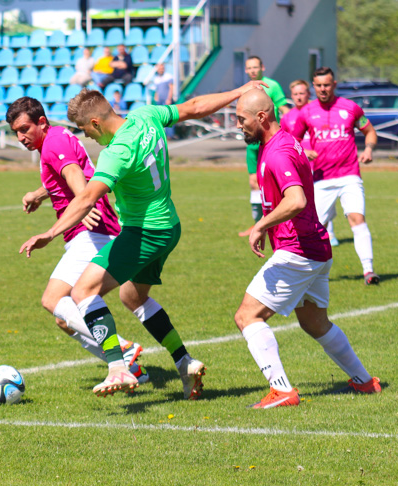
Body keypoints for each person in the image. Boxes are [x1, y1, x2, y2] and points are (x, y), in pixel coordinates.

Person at [19, 82, 267, 397]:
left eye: (86, 131)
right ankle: (185, 363)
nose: (88, 138)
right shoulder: (146, 116)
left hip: (143, 231)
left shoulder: (116, 152)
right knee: (132, 297)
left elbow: (85, 200)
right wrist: (237, 91)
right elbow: (193, 107)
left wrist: (49, 233)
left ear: (96, 122)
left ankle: (117, 368)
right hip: (170, 227)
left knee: (84, 291)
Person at [233, 89, 381, 408]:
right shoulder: (278, 143)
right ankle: (364, 381)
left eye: (241, 119)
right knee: (314, 323)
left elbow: (296, 200)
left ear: (261, 117)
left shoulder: (278, 151)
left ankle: (282, 390)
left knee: (247, 316)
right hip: (314, 247)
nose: (237, 125)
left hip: (297, 250)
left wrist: (260, 224)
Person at [7, 97, 148, 383]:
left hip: (91, 231)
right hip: (90, 231)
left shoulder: (54, 142)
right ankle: (131, 370)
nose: (21, 137)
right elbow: (72, 173)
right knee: (64, 318)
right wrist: (40, 193)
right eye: (16, 132)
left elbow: (75, 176)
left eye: (25, 129)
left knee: (53, 299)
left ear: (42, 122)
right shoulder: (54, 140)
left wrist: (84, 208)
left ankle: (121, 349)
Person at [291, 67, 380, 285]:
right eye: (319, 85)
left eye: (327, 85)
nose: (323, 89)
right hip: (321, 179)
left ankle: (368, 270)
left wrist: (368, 149)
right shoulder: (306, 112)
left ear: (335, 84)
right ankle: (307, 272)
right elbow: (292, 142)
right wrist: (303, 150)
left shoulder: (350, 108)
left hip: (350, 175)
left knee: (357, 219)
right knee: (314, 228)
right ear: (314, 86)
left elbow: (369, 131)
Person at [281, 79, 338, 247]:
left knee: (324, 200)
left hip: (321, 165)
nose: (299, 97)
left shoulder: (317, 111)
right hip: (299, 166)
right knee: (303, 200)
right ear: (291, 96)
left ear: (308, 94)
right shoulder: (287, 118)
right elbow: (285, 143)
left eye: (302, 93)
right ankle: (302, 232)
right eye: (295, 94)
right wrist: (302, 152)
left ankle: (330, 232)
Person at [239, 56, 289, 237]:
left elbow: (284, 109)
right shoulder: (245, 89)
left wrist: (292, 129)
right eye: (249, 68)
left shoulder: (271, 86)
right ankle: (257, 224)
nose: (252, 70)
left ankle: (277, 222)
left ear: (262, 67)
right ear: (246, 70)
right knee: (253, 182)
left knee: (274, 183)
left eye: (255, 67)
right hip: (252, 142)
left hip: (269, 141)